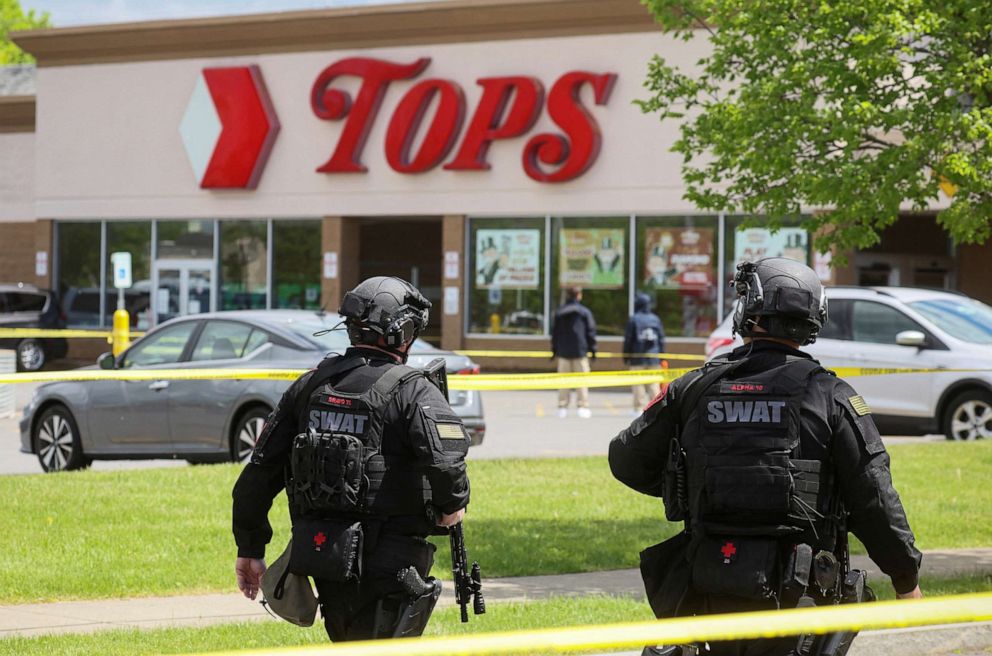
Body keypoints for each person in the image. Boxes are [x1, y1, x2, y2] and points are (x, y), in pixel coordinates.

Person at [608, 258, 922, 656]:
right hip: (801, 601)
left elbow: (626, 460)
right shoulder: (831, 397)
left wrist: (691, 484)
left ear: (748, 311)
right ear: (813, 319)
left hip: (708, 589)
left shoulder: (692, 388)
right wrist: (905, 578)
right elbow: (873, 496)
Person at [232, 276, 470, 642]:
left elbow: (258, 474)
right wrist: (452, 506)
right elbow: (447, 464)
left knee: (345, 641)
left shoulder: (310, 385)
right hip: (392, 559)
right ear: (403, 332)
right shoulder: (412, 390)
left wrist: (250, 548)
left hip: (324, 553)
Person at [551, 286, 597, 418]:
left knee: (563, 381)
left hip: (563, 352)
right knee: (582, 381)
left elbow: (555, 333)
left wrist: (554, 350)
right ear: (579, 296)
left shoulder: (560, 312)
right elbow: (591, 331)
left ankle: (562, 407)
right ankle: (582, 406)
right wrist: (593, 349)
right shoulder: (584, 312)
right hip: (580, 352)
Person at [624, 292, 666, 414]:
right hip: (653, 356)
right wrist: (662, 355)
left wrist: (626, 355)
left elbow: (628, 339)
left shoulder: (634, 319)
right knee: (653, 383)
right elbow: (661, 339)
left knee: (638, 383)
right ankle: (656, 409)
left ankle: (638, 408)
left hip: (637, 357)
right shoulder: (655, 319)